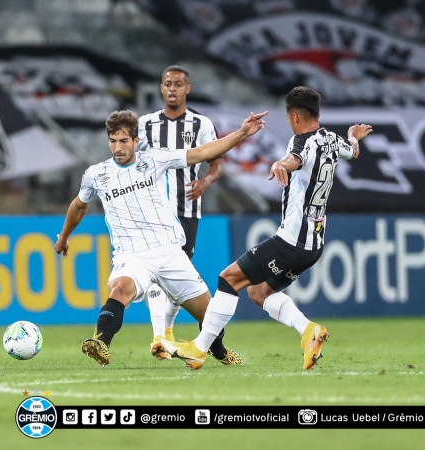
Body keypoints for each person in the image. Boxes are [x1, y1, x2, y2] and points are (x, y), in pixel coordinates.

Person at [155, 86, 373, 370]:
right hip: (314, 244)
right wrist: (353, 137)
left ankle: (199, 350)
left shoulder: (301, 141)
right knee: (258, 292)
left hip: (292, 241)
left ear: (294, 117)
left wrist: (280, 164)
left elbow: (294, 158)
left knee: (228, 278)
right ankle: (309, 331)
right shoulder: (332, 140)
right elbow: (352, 152)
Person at [54, 109, 268, 366]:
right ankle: (100, 342)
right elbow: (79, 206)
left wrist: (243, 132)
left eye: (123, 141)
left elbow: (203, 153)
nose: (118, 147)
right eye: (112, 141)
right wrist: (64, 237)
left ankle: (219, 350)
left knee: (210, 314)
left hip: (168, 251)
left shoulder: (155, 159)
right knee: (120, 288)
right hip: (131, 255)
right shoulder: (96, 174)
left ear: (135, 140)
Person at [137, 65, 233, 364]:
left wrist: (205, 181)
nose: (173, 89)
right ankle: (160, 336)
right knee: (156, 271)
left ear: (187, 89)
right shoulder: (145, 124)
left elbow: (216, 162)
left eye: (178, 84)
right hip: (152, 211)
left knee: (179, 275)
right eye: (168, 84)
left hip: (186, 208)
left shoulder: (201, 124)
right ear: (161, 88)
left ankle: (165, 330)